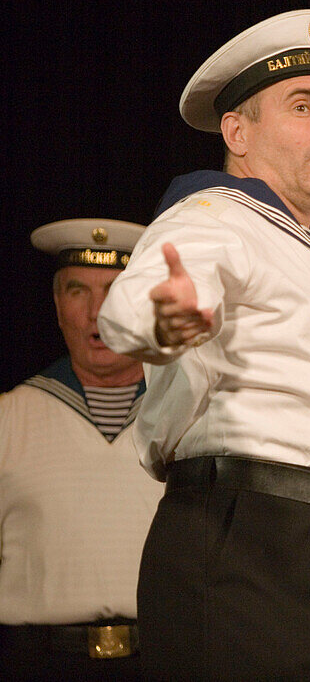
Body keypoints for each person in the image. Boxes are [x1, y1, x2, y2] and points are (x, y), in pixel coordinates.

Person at [97, 9, 310, 681]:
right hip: (248, 538)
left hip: (306, 541)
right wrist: (160, 322)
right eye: (302, 106)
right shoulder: (215, 216)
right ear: (237, 131)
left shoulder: (294, 239)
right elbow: (134, 304)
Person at [0, 218, 161, 681]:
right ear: (56, 304)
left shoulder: (191, 421)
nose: (97, 312)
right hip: (36, 663)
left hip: (164, 661)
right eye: (78, 291)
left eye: (116, 291)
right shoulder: (12, 417)